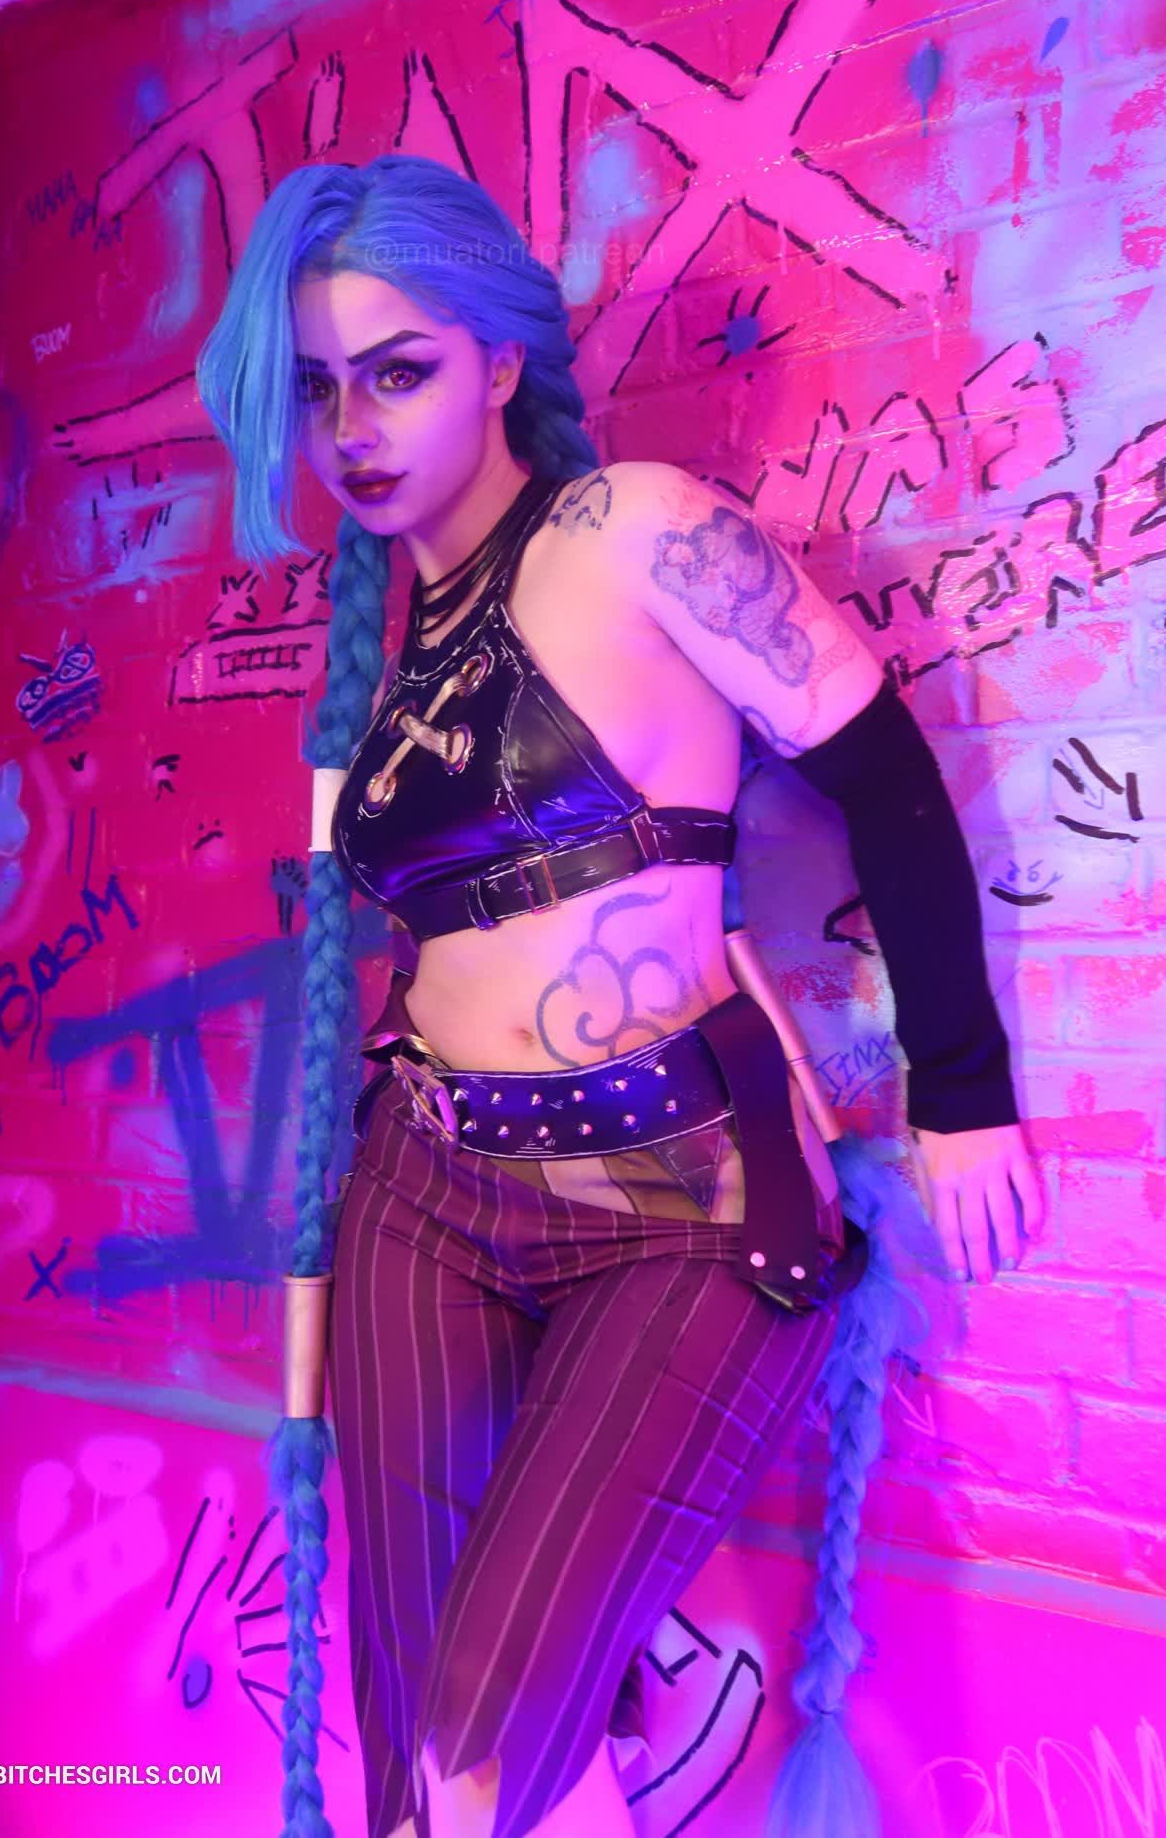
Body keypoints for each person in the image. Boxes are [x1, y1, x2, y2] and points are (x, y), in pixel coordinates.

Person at [196, 153, 1046, 1838]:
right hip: (423, 1192)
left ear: (499, 361)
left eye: (397, 370)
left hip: (679, 1194)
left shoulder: (632, 529)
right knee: (412, 1748)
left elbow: (885, 780)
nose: (352, 427)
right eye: (318, 388)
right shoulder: (393, 635)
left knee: (474, 1757)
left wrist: (961, 1092)